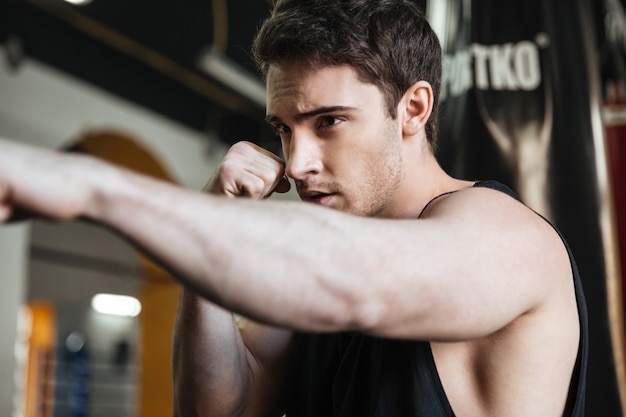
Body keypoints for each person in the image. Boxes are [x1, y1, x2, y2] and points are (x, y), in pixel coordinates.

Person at [0, 0, 587, 416]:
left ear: (413, 109)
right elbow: (216, 413)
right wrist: (219, 225)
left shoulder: (505, 237)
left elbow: (358, 285)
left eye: (328, 122)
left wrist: (96, 188)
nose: (298, 161)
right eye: (284, 129)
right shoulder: (314, 276)